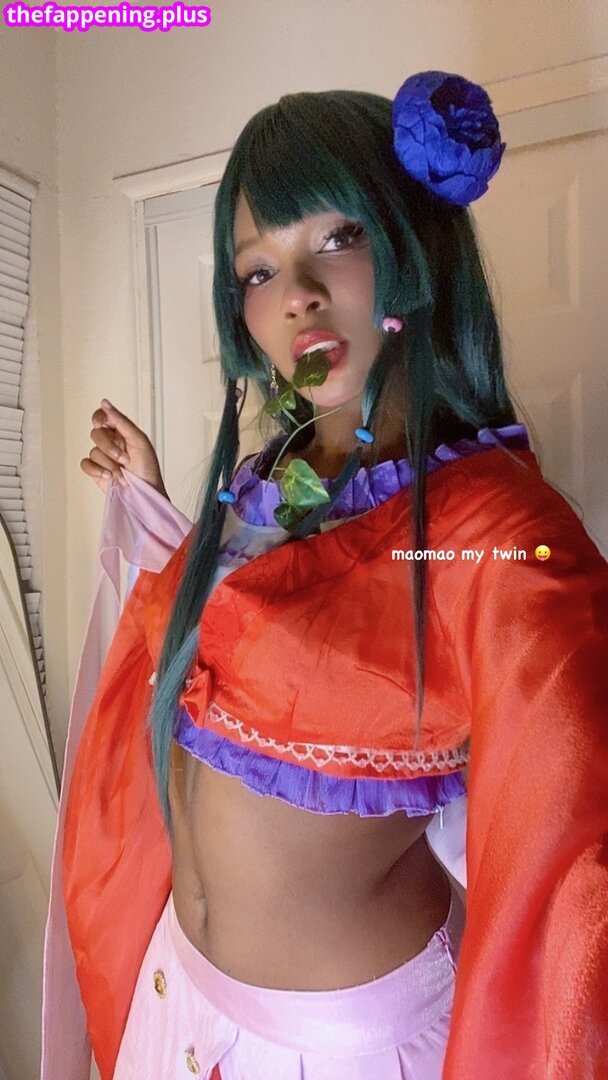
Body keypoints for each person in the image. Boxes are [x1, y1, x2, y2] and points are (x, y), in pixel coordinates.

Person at [43, 74, 608, 1080]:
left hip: (336, 1048)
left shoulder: (495, 529)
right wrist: (162, 507)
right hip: (177, 996)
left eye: (337, 237)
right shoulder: (282, 471)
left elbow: (577, 862)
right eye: (257, 269)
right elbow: (254, 617)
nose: (295, 292)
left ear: (414, 245)